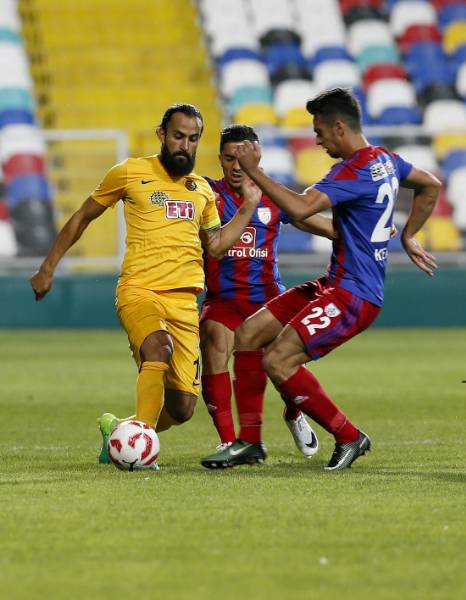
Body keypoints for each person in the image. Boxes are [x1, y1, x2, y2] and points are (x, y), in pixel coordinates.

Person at [202, 88, 441, 471]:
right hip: (333, 282)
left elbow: (298, 207)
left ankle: (348, 435)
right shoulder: (385, 160)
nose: (317, 140)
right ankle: (249, 442)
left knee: (278, 361)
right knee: (248, 334)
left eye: (320, 132)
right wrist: (409, 234)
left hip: (353, 294)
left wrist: (254, 171)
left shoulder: (352, 170)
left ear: (339, 127)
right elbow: (431, 185)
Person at [30, 103, 264, 468]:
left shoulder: (201, 189)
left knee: (183, 407)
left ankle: (121, 432)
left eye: (192, 139)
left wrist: (248, 209)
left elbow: (216, 246)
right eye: (178, 136)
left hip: (185, 303)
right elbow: (83, 217)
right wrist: (48, 267)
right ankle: (141, 452)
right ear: (162, 135)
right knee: (159, 348)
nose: (184, 145)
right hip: (140, 291)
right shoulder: (129, 172)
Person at [199, 124, 336, 468]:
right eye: (229, 158)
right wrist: (247, 205)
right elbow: (213, 249)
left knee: (283, 364)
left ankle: (294, 413)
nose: (235, 165)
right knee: (215, 344)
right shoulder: (208, 196)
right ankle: (231, 441)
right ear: (220, 159)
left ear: (256, 157)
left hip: (268, 301)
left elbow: (316, 223)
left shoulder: (272, 195)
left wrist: (362, 232)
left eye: (242, 158)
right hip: (225, 300)